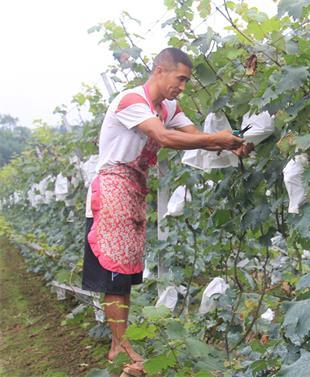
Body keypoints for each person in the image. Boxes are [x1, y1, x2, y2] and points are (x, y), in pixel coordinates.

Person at [81, 47, 252, 376]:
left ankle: (122, 345)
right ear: (160, 71)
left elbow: (197, 137)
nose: (183, 87)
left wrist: (232, 143)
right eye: (181, 79)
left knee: (126, 276)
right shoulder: (132, 100)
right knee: (114, 276)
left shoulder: (169, 106)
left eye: (186, 81)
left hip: (133, 191)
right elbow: (163, 137)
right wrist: (215, 139)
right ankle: (121, 347)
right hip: (111, 190)